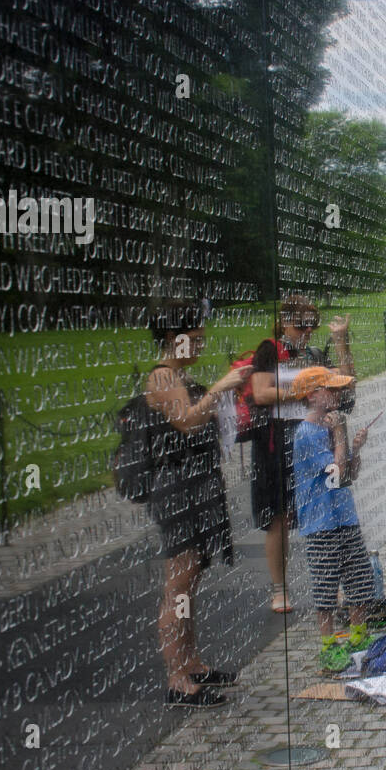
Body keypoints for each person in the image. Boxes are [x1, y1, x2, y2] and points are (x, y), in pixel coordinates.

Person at [145, 302, 251, 708]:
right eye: (197, 338)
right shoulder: (162, 376)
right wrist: (217, 389)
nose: (201, 345)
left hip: (194, 486)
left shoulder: (178, 374)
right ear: (176, 338)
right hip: (176, 491)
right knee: (178, 584)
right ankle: (177, 677)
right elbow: (186, 420)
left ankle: (192, 664)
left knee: (190, 579)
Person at [250, 298, 355, 615]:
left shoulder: (313, 354)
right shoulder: (269, 350)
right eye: (301, 325)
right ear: (284, 323)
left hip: (314, 439)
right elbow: (260, 392)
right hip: (276, 442)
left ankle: (331, 585)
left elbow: (347, 385)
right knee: (278, 517)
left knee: (325, 511)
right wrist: (302, 389)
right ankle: (279, 589)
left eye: (313, 325)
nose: (308, 332)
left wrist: (341, 342)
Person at [291, 367, 376, 641]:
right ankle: (328, 644)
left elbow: (348, 477)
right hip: (321, 523)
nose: (339, 394)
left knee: (359, 580)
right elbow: (334, 475)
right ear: (313, 396)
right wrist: (340, 433)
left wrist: (356, 449)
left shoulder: (330, 427)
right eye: (332, 389)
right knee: (326, 587)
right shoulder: (306, 433)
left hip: (344, 517)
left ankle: (358, 636)